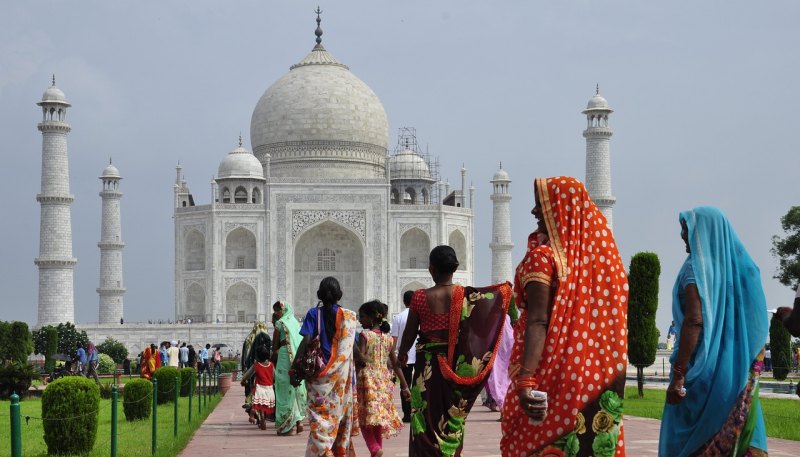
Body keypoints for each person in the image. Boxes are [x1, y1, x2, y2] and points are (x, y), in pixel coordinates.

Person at [501, 176, 629, 457]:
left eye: (542, 204)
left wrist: (525, 379)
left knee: (535, 443)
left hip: (549, 370)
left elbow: (538, 320)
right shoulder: (599, 263)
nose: (536, 211)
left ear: (562, 208)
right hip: (593, 376)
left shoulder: (543, 257)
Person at [659, 206, 769, 457]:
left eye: (687, 229)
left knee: (687, 443)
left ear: (705, 232)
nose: (682, 236)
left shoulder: (695, 269)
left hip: (703, 374)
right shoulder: (742, 270)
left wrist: (678, 376)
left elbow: (694, 321)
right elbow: (757, 323)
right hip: (737, 374)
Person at [398, 245, 511, 457]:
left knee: (424, 417)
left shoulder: (420, 297)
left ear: (431, 269)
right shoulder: (465, 296)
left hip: (427, 369)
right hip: (454, 367)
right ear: (455, 268)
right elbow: (484, 316)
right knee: (451, 418)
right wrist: (504, 291)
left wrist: (402, 353)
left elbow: (410, 333)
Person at [291, 276, 360, 457]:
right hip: (341, 380)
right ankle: (334, 450)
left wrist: (295, 366)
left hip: (318, 377)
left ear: (320, 294)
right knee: (337, 416)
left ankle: (324, 450)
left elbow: (305, 341)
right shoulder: (349, 317)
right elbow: (356, 350)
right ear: (339, 295)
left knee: (319, 419)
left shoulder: (314, 314)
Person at [357, 300, 409, 457]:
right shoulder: (387, 339)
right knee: (377, 419)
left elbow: (360, 361)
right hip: (384, 381)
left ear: (372, 317)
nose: (360, 320)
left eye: (362, 316)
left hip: (367, 381)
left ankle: (375, 449)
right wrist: (405, 387)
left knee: (364, 419)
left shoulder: (365, 336)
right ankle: (376, 452)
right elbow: (396, 364)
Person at [271, 301, 306, 436]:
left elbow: (274, 348)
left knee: (283, 389)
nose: (276, 314)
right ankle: (299, 422)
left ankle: (288, 427)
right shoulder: (295, 323)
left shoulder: (279, 324)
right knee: (294, 387)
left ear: (283, 310)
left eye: (278, 311)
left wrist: (272, 358)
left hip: (284, 357)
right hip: (296, 358)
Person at [391, 290, 417, 423]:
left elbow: (394, 340)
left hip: (403, 356)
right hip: (419, 355)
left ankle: (407, 414)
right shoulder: (420, 316)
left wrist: (394, 356)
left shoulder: (399, 317)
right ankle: (418, 412)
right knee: (419, 385)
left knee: (404, 385)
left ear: (404, 301)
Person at [482, 313, 513, 415]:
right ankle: (502, 409)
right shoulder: (503, 317)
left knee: (497, 382)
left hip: (499, 355)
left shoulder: (500, 317)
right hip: (500, 355)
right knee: (500, 382)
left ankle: (502, 409)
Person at [239, 344, 276, 429]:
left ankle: (253, 416)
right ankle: (263, 419)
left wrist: (244, 380)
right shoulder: (271, 365)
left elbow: (247, 375)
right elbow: (274, 377)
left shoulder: (257, 365)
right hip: (269, 389)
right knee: (265, 405)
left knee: (255, 403)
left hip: (259, 388)